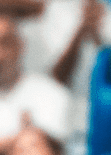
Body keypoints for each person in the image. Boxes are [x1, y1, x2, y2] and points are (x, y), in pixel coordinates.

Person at [0, 16, 73, 145]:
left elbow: (47, 149)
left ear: (20, 46)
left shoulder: (52, 94)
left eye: (5, 43)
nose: (1, 55)